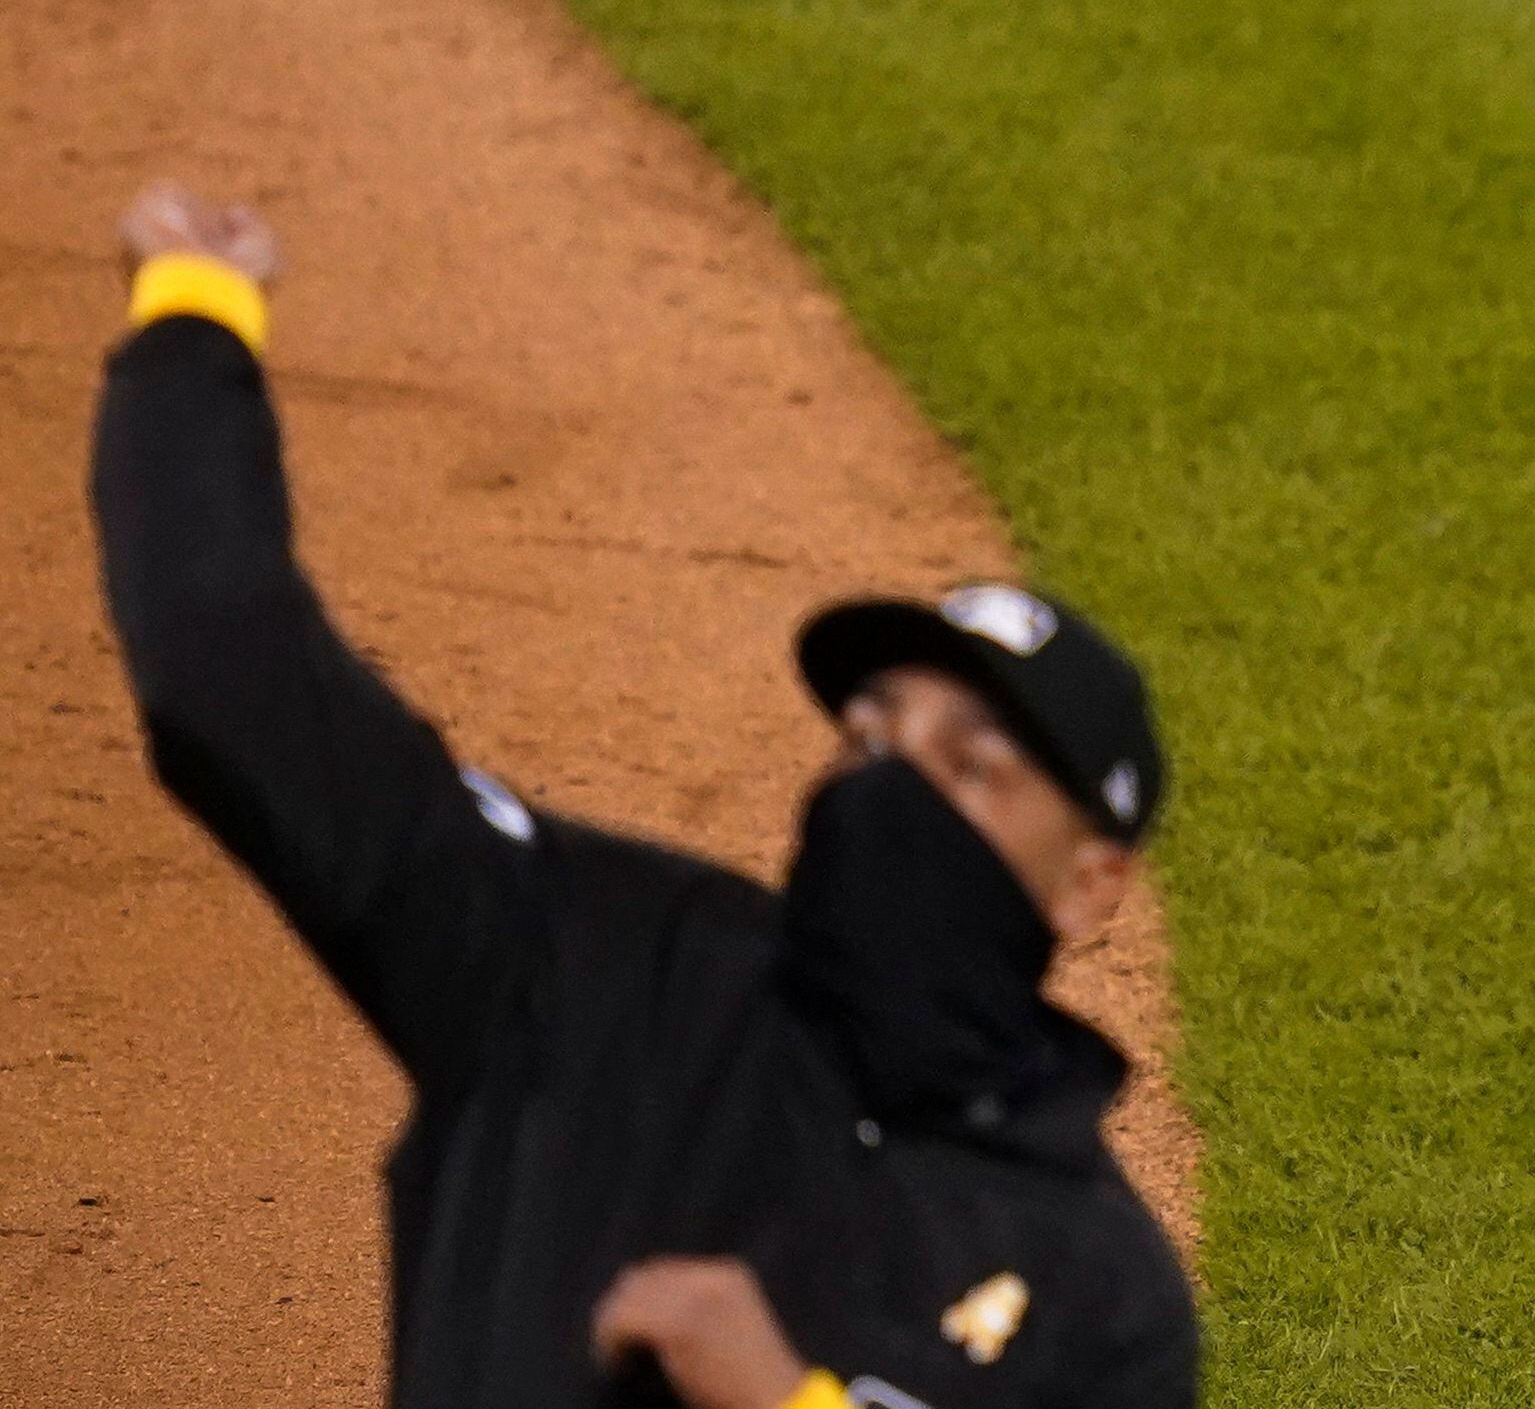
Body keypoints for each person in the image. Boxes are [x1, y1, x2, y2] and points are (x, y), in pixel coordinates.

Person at [89, 182, 1199, 1408]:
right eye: (870, 734)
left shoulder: (1104, 1298)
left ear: (1094, 882)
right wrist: (197, 314)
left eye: (973, 766)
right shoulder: (578, 959)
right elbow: (236, 680)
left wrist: (788, 1399)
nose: (895, 787)